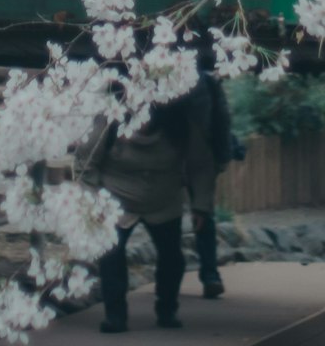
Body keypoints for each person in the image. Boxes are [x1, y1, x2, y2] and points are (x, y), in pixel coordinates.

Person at [80, 98, 191, 333]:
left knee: (172, 257)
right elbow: (85, 163)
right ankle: (115, 316)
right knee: (111, 254)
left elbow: (199, 162)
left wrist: (201, 205)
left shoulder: (178, 123)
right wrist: (94, 204)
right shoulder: (110, 119)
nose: (144, 124)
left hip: (164, 199)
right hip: (117, 199)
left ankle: (167, 309)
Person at [183, 58, 234, 298]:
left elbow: (222, 118)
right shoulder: (207, 81)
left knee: (197, 215)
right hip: (195, 155)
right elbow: (222, 118)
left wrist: (222, 153)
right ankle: (209, 273)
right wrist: (222, 155)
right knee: (203, 214)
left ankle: (207, 273)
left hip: (190, 153)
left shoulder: (207, 82)